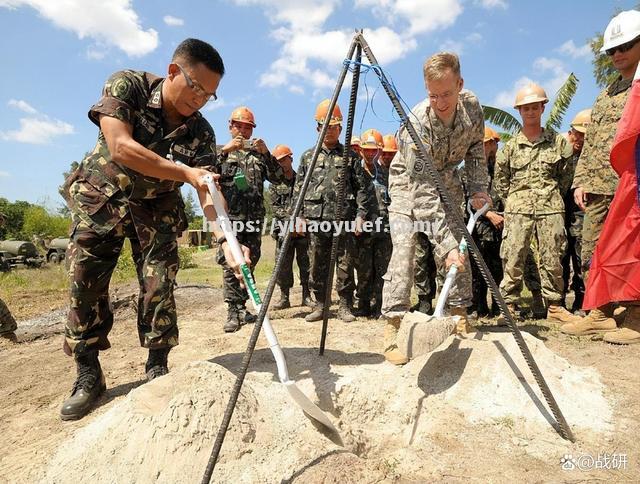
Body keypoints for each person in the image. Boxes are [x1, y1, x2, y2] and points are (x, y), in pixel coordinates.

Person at [58, 38, 248, 421]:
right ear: (174, 72)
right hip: (102, 199)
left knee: (160, 285)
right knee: (85, 285)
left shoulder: (202, 133)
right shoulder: (126, 85)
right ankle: (88, 373)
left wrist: (226, 240)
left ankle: (157, 366)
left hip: (157, 209)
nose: (200, 100)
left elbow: (207, 190)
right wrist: (185, 173)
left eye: (209, 95)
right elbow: (121, 146)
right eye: (197, 89)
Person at [381, 52, 485, 365]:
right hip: (409, 181)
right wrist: (445, 246)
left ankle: (457, 315)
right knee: (405, 244)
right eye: (433, 95)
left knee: (459, 241)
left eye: (447, 94)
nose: (440, 103)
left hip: (448, 176)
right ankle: (394, 325)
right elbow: (424, 193)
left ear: (460, 84)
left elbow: (477, 150)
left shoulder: (472, 107)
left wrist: (479, 188)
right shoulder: (417, 123)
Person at [562, 10, 640, 335]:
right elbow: (591, 141)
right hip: (597, 186)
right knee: (592, 249)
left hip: (630, 185)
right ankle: (601, 311)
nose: (617, 55)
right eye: (611, 50)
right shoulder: (607, 92)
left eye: (625, 46)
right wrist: (580, 180)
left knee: (631, 249)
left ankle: (635, 315)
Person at [493, 84, 579, 324]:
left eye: (534, 107)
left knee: (553, 255)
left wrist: (548, 195)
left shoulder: (558, 143)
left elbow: (565, 177)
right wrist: (516, 199)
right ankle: (508, 305)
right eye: (525, 108)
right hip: (518, 208)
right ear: (519, 111)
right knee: (513, 255)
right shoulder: (509, 148)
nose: (530, 112)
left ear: (543, 107)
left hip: (550, 206)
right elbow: (501, 181)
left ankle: (554, 306)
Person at [291, 100, 374, 323]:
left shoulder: (351, 157)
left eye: (334, 126)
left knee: (345, 265)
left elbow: (362, 189)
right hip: (315, 221)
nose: (330, 130)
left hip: (343, 221)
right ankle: (321, 305)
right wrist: (297, 217)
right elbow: (298, 189)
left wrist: (360, 216)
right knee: (317, 265)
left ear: (340, 128)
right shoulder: (308, 157)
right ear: (318, 128)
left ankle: (345, 305)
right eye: (325, 126)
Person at [213, 107, 286, 332]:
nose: (243, 131)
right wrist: (225, 151)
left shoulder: (258, 155)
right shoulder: (218, 151)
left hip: (253, 218)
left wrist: (266, 154)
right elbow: (203, 171)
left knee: (250, 261)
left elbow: (279, 177)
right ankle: (232, 310)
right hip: (230, 218)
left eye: (247, 127)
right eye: (239, 126)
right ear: (230, 126)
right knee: (231, 263)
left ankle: (243, 306)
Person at [353, 129, 391, 318]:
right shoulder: (355, 172)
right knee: (364, 269)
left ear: (378, 151)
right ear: (360, 150)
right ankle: (363, 304)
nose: (369, 153)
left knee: (382, 269)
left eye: (373, 150)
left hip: (383, 230)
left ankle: (380, 306)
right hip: (363, 231)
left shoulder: (385, 173)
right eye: (366, 150)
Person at [269, 144, 312, 310]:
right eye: (278, 161)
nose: (281, 163)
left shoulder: (302, 181)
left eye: (284, 159)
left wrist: (300, 221)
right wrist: (291, 221)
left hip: (302, 230)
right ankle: (284, 298)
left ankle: (306, 296)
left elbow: (307, 203)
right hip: (283, 230)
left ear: (291, 159)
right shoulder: (274, 182)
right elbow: (274, 207)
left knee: (306, 263)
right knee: (282, 265)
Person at [561, 109, 591, 314]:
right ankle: (558, 301)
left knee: (581, 258)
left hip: (582, 216)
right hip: (560, 214)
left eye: (584, 135)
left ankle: (582, 299)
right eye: (577, 134)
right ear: (570, 133)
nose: (580, 139)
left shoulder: (591, 159)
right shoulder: (561, 155)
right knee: (560, 257)